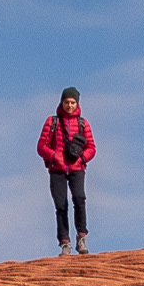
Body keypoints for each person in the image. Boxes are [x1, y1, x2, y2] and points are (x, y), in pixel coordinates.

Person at [39, 88, 95, 252]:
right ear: (61, 103)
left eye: (72, 102)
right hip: (57, 169)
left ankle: (81, 237)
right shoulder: (52, 122)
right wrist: (54, 156)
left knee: (79, 199)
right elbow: (41, 146)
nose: (69, 105)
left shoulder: (82, 124)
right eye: (66, 102)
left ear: (77, 103)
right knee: (61, 206)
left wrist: (82, 158)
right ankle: (65, 242)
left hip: (77, 168)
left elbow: (92, 147)